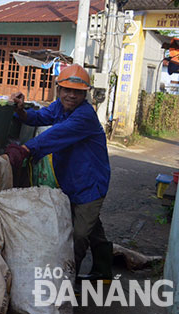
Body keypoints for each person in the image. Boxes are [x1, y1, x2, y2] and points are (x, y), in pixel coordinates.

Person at [9, 64, 112, 282]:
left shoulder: (84, 115)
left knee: (80, 234)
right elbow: (37, 117)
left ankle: (67, 279)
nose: (71, 95)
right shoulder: (59, 107)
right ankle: (104, 271)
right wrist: (20, 109)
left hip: (90, 182)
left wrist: (26, 149)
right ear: (59, 90)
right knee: (93, 227)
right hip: (70, 180)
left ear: (85, 94)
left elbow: (55, 134)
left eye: (77, 92)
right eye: (67, 90)